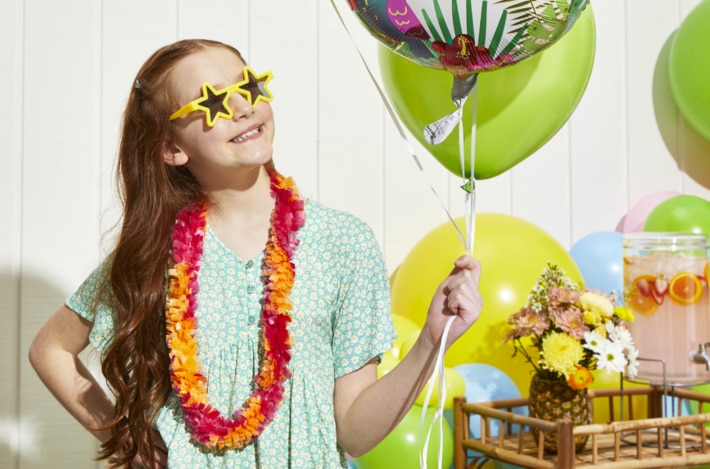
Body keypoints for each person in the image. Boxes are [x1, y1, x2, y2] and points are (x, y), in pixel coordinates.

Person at [28, 38, 483, 468]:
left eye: (247, 85)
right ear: (172, 149)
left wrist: (430, 341)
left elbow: (355, 433)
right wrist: (128, 442)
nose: (243, 106)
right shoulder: (156, 252)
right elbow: (50, 349)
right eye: (211, 101)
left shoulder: (343, 243)